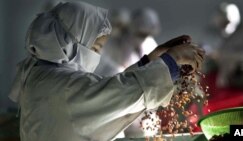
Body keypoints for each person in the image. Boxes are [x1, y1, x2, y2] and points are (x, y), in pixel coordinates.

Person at [9, 1, 205, 141]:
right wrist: (173, 60)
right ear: (70, 43)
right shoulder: (64, 86)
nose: (96, 57)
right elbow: (115, 92)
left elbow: (104, 89)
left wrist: (151, 59)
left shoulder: (43, 73)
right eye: (94, 49)